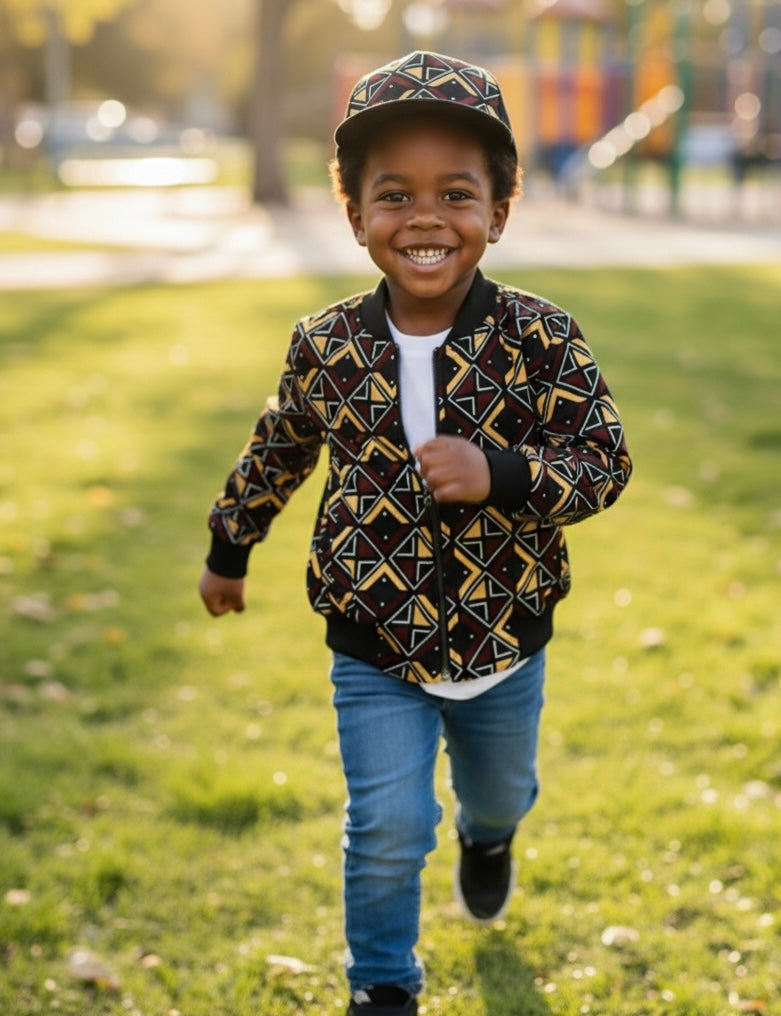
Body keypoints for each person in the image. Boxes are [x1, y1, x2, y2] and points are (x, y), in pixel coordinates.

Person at [199, 50, 632, 1016]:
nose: (424, 217)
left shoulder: (540, 339)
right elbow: (280, 446)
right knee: (387, 825)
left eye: (456, 193)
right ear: (355, 216)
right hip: (374, 638)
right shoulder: (327, 343)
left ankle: (489, 838)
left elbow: (602, 462)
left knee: (498, 793)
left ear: (499, 211)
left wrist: (503, 475)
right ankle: (383, 987)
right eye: (392, 194)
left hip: (503, 637)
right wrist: (231, 547)